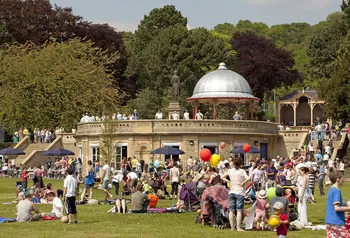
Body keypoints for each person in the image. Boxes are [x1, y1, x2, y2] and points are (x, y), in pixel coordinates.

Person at [221, 157, 249, 232]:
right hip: (240, 192)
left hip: (232, 192)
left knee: (231, 210)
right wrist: (243, 183)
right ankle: (238, 227)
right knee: (239, 210)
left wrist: (229, 181)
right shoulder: (242, 171)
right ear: (240, 163)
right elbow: (248, 178)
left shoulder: (230, 171)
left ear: (233, 163)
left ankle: (232, 227)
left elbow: (222, 177)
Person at [325, 168, 350, 237]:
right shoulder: (336, 191)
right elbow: (337, 208)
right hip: (336, 222)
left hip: (329, 222)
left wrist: (345, 204)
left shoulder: (331, 190)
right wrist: (349, 208)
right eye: (342, 178)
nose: (343, 180)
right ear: (337, 179)